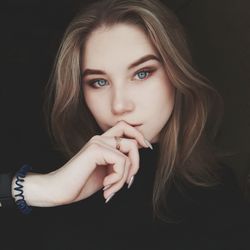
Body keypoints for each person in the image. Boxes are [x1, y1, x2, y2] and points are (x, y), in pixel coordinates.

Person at [1, 0, 249, 249]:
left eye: (142, 73)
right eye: (99, 82)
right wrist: (44, 189)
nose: (119, 105)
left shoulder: (218, 190)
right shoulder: (51, 167)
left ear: (176, 73)